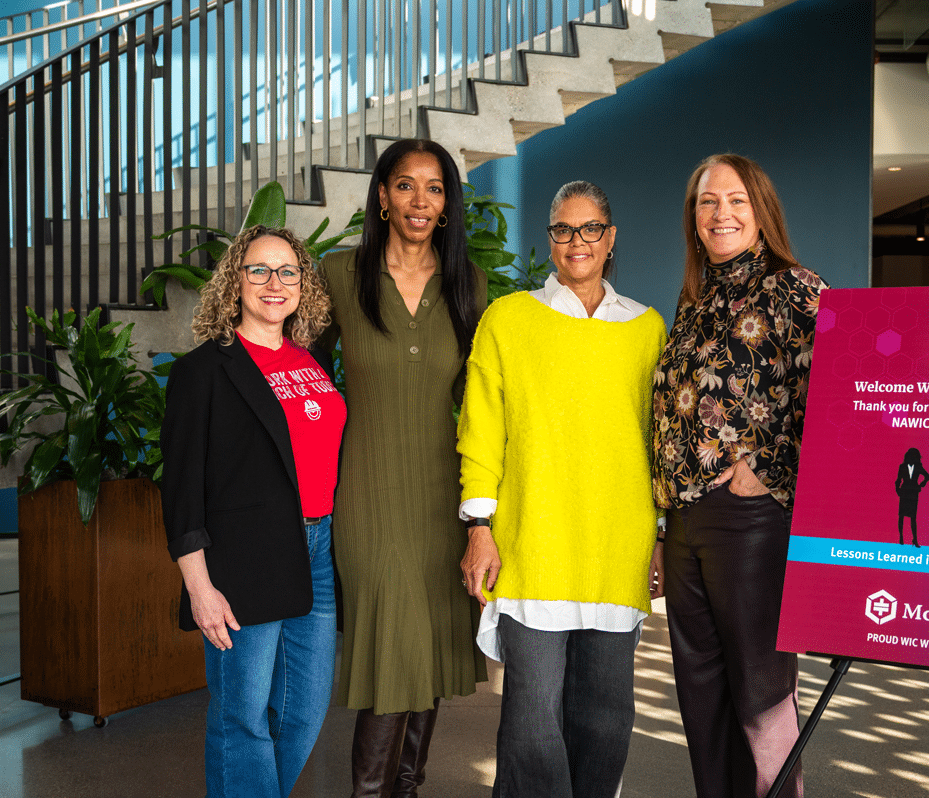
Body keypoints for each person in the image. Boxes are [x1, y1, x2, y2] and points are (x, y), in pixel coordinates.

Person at [458, 180, 667, 798]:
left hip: (616, 542)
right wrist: (479, 525)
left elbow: (659, 446)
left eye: (590, 229)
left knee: (606, 715)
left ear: (611, 238)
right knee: (531, 717)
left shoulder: (646, 328)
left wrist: (659, 536)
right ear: (549, 238)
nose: (577, 242)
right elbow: (481, 429)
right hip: (532, 539)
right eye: (562, 230)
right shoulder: (509, 320)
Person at [652, 154, 828, 798]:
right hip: (689, 522)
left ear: (760, 211)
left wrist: (769, 470)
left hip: (753, 523)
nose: (719, 213)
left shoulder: (795, 287)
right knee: (703, 707)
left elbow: (841, 397)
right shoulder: (694, 300)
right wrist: (665, 525)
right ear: (693, 219)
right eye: (706, 202)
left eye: (735, 201)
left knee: (761, 699)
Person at [320, 138, 487, 797]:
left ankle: (406, 787)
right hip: (365, 490)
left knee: (432, 644)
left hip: (441, 495)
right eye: (405, 186)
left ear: (447, 206)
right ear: (383, 197)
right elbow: (299, 373)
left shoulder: (466, 283)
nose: (420, 200)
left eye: (435, 188)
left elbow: (475, 398)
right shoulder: (337, 274)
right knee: (394, 642)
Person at [161, 225, 345, 798]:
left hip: (316, 551)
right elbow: (182, 489)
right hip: (242, 563)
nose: (274, 283)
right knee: (241, 718)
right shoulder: (203, 371)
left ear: (302, 285)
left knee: (302, 713)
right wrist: (199, 586)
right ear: (234, 282)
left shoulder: (313, 359)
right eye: (259, 270)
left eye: (288, 271)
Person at [895, 447, 929, 547]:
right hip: (904, 492)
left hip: (913, 493)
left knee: (913, 517)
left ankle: (914, 539)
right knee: (901, 516)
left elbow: (927, 476)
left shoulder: (918, 466)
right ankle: (901, 538)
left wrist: (921, 484)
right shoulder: (902, 466)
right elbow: (898, 480)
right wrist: (898, 490)